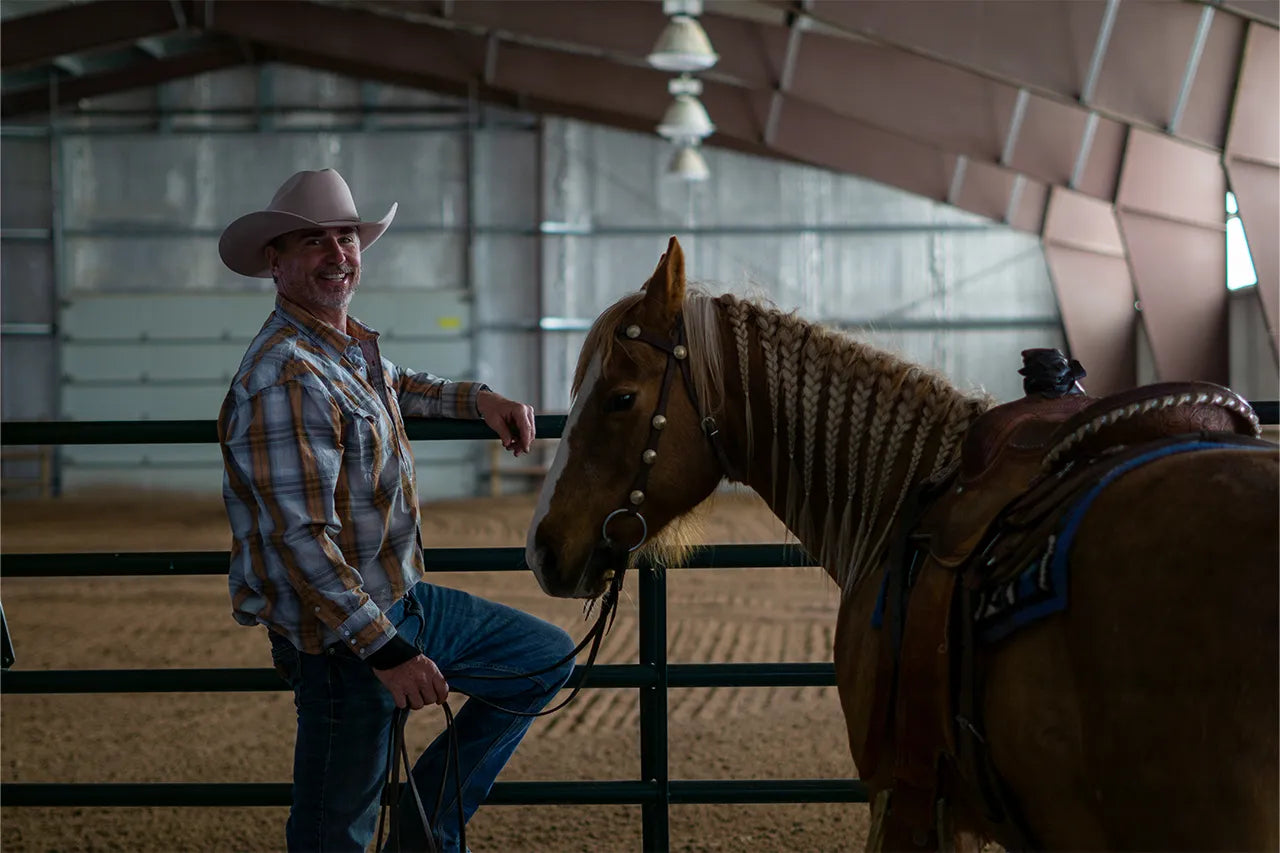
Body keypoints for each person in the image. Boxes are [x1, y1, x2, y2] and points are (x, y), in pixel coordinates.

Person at [216, 168, 575, 853]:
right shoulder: (284, 375)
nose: (336, 252)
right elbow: (299, 540)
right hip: (342, 640)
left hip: (402, 601)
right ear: (276, 261)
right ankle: (419, 821)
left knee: (541, 658)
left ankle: (425, 816)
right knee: (334, 833)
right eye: (313, 239)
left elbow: (402, 385)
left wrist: (479, 399)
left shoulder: (343, 349)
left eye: (345, 236)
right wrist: (387, 651)